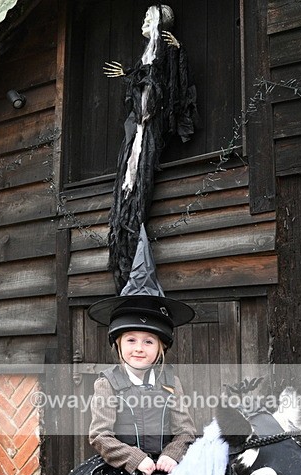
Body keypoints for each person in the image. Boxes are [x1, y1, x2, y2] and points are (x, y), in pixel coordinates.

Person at [50, 228, 196, 475]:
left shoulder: (171, 384)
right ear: (118, 345)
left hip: (165, 470)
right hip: (120, 470)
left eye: (148, 342)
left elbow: (186, 431)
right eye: (131, 339)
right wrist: (136, 460)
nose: (138, 348)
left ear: (160, 348)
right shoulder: (107, 383)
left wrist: (169, 456)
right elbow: (100, 434)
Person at [105, 4, 199, 293]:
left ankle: (132, 252)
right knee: (126, 188)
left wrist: (178, 50)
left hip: (150, 133)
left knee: (139, 187)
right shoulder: (146, 57)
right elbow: (144, 84)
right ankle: (122, 251)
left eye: (150, 17)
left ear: (161, 23)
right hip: (136, 135)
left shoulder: (167, 53)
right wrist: (129, 75)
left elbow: (171, 90)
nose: (144, 20)